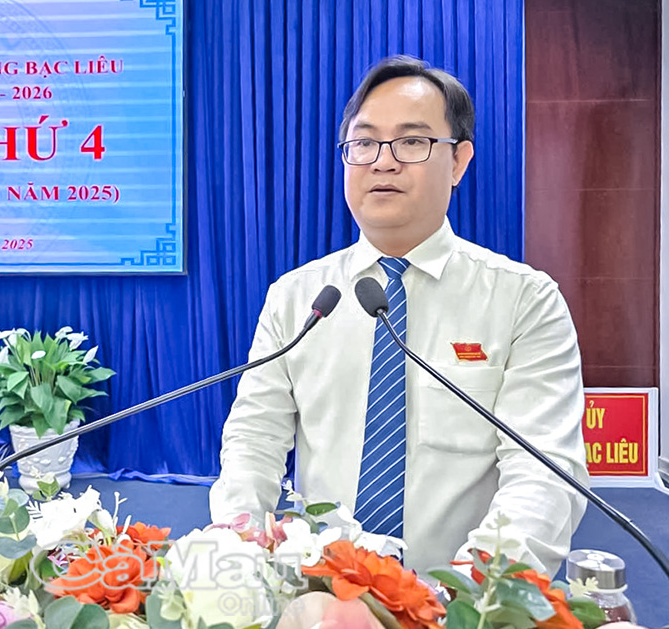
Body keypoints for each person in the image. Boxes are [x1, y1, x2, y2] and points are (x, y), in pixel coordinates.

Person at [208, 55, 589, 575]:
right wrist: (239, 552)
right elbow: (254, 440)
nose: (382, 162)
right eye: (364, 143)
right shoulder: (298, 298)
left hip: (461, 596)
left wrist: (470, 592)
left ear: (458, 162)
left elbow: (543, 474)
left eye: (411, 142)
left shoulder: (524, 300)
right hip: (321, 592)